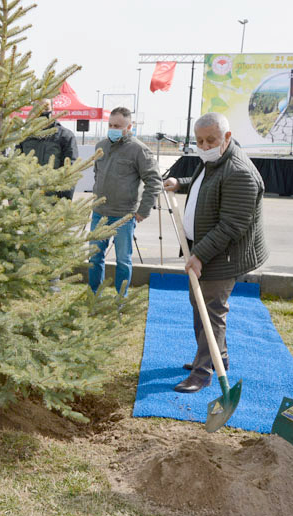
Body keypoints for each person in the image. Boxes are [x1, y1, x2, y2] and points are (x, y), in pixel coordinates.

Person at [163, 112, 268, 393]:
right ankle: (216, 355)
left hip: (222, 255)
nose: (205, 146)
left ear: (228, 138)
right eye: (199, 141)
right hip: (205, 250)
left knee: (210, 311)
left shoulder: (239, 172)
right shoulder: (213, 161)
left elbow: (231, 225)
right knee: (200, 305)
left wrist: (199, 256)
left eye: (211, 140)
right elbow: (204, 184)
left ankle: (204, 371)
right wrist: (180, 183)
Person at [87, 107, 162, 295]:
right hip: (100, 214)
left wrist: (143, 210)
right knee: (94, 258)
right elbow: (97, 173)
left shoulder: (139, 150)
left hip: (124, 216)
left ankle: (121, 299)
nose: (113, 128)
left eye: (117, 126)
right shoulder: (101, 146)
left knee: (123, 260)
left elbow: (154, 181)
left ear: (129, 126)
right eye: (110, 125)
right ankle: (94, 294)